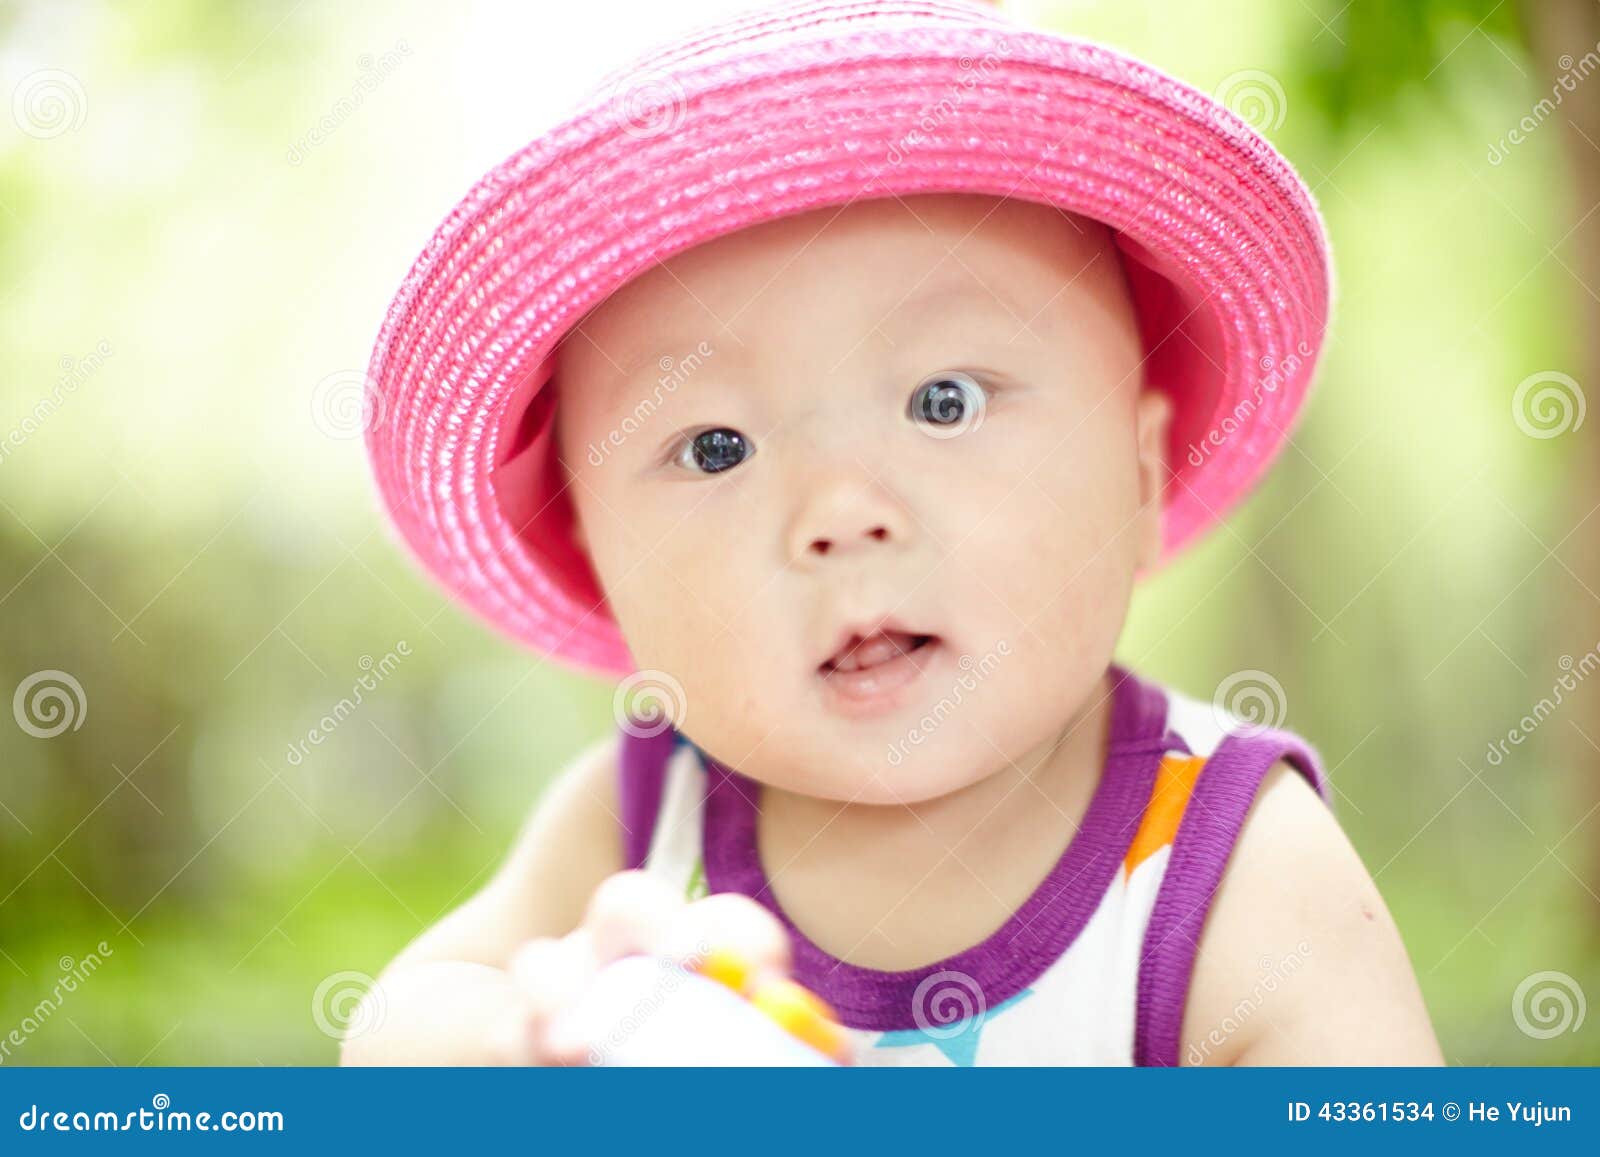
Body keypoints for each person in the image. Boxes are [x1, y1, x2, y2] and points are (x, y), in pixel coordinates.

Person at [346, 0, 1442, 1066]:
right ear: (598, 557)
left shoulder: (1229, 865)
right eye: (716, 448)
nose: (838, 511)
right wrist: (524, 1037)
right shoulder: (640, 821)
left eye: (944, 400)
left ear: (1141, 475)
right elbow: (394, 1024)